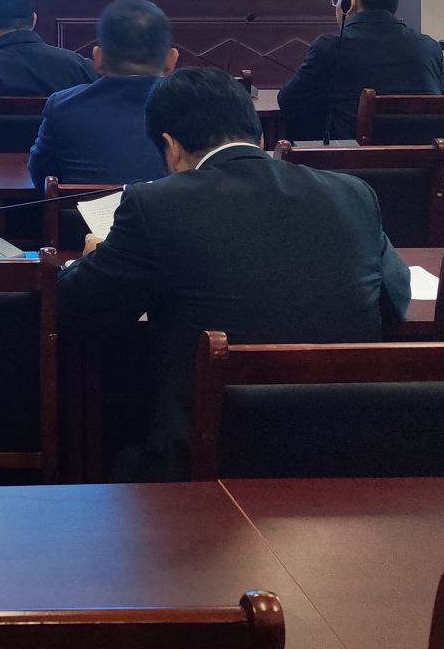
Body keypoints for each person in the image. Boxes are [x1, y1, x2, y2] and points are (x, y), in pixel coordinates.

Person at [58, 68, 410, 480]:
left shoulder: (154, 205)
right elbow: (394, 301)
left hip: (206, 468)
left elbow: (77, 309)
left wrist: (92, 260)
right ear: (258, 136)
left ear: (171, 146)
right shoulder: (352, 193)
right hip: (346, 459)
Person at [276, 0, 444, 145]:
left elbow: (288, 100)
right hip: (422, 160)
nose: (335, 7)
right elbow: (443, 105)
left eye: (337, 0)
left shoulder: (331, 46)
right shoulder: (430, 47)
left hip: (354, 160)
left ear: (351, 1)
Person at [27, 0, 177, 190]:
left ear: (97, 59)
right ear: (171, 60)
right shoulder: (196, 108)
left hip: (83, 211)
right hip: (172, 210)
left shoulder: (63, 106)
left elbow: (41, 177)